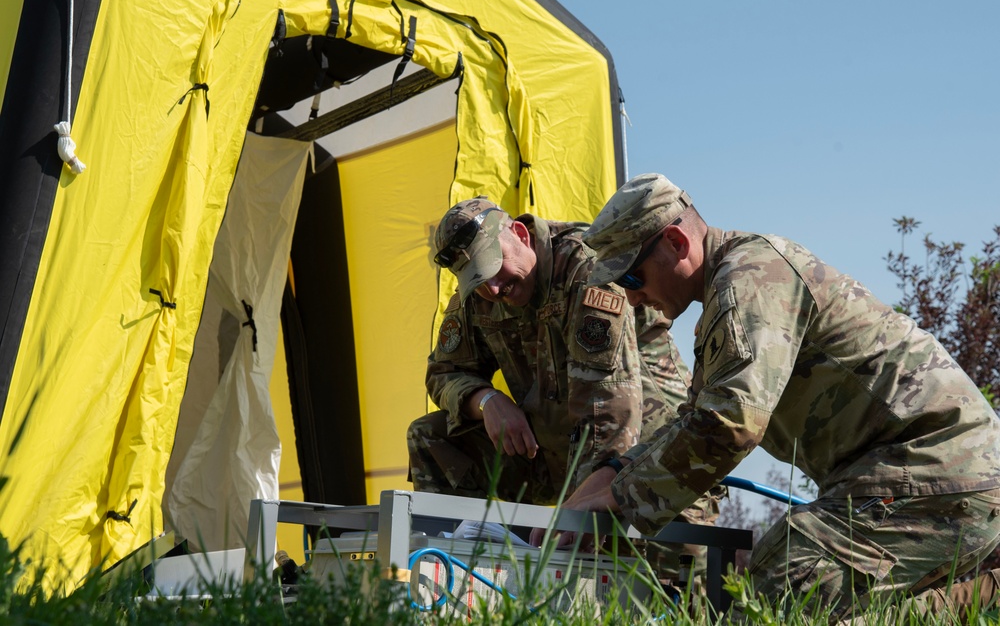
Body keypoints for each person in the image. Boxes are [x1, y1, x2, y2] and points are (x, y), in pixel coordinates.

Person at [550, 172, 1000, 614]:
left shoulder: (751, 278)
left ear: (676, 243)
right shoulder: (729, 294)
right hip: (909, 474)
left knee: (784, 588)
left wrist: (624, 496)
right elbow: (694, 421)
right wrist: (615, 470)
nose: (631, 300)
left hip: (935, 468)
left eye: (632, 278)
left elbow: (730, 424)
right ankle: (977, 597)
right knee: (799, 592)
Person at [408, 196, 718, 582]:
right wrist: (486, 400)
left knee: (672, 593)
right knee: (430, 438)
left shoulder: (586, 270)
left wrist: (577, 510)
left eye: (492, 267)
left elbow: (609, 413)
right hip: (556, 448)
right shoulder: (482, 294)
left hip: (646, 449)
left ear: (519, 234)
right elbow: (442, 372)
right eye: (476, 279)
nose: (492, 287)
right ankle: (458, 582)